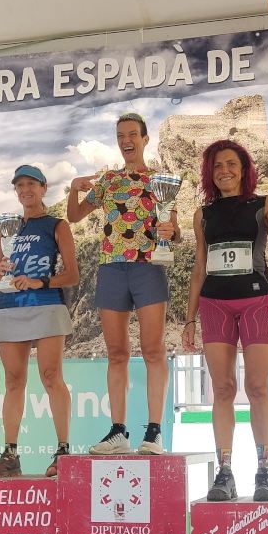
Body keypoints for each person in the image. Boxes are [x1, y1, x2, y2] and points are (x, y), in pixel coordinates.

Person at [182, 139, 268, 502]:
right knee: (222, 389)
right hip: (214, 303)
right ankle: (225, 472)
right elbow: (199, 268)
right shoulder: (202, 214)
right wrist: (189, 320)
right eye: (217, 166)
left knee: (257, 388)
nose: (224, 171)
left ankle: (264, 471)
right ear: (210, 172)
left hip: (256, 301)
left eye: (231, 164)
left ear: (244, 169)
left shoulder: (264, 203)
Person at [66, 111, 178, 455]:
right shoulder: (108, 181)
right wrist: (73, 189)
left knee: (153, 350)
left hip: (149, 267)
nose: (126, 141)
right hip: (112, 268)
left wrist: (171, 231)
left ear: (145, 139)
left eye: (132, 134)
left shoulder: (161, 180)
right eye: (120, 136)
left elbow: (174, 230)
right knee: (116, 353)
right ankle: (118, 432)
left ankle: (154, 432)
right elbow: (74, 215)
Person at [0, 165, 79, 478]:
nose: (25, 190)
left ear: (43, 188)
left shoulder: (57, 225)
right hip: (10, 307)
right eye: (20, 185)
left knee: (51, 376)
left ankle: (63, 451)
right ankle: (10, 455)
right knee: (13, 381)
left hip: (46, 305)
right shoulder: (6, 228)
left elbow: (72, 275)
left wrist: (39, 281)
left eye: (31, 184)